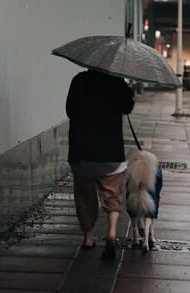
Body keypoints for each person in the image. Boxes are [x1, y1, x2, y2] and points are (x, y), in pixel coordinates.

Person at [66, 70, 134, 260]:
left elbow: (70, 111)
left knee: (84, 197)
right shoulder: (117, 81)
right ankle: (112, 232)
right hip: (110, 151)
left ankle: (88, 237)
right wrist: (127, 91)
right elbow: (127, 107)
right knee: (112, 194)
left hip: (82, 150)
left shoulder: (78, 80)